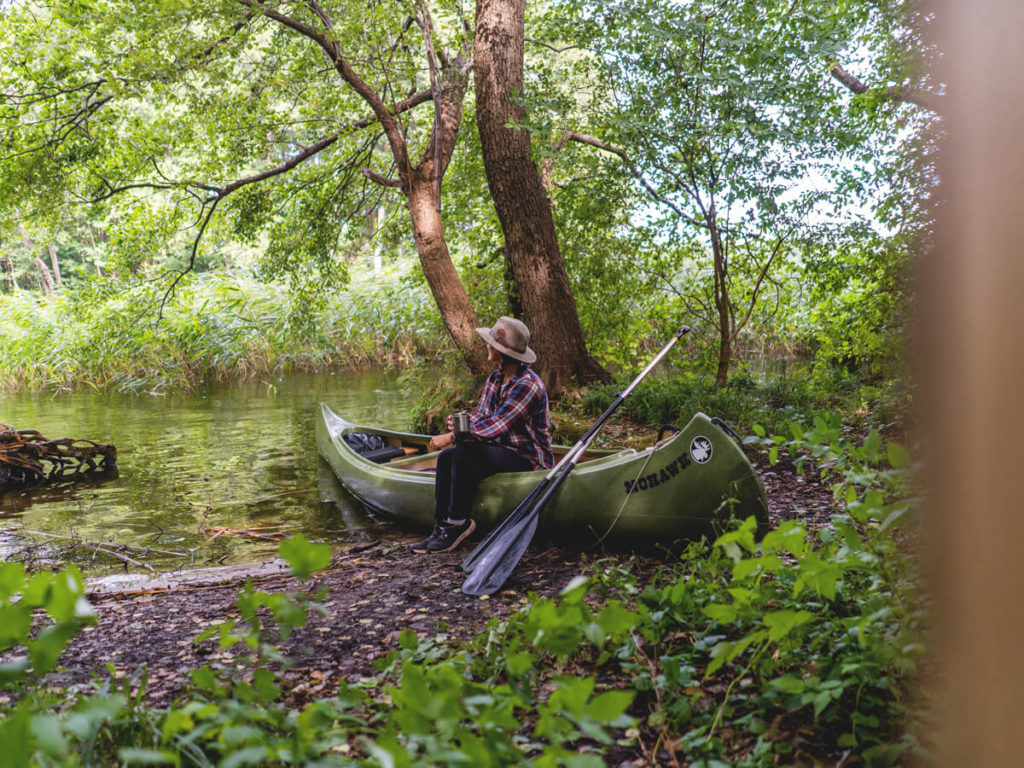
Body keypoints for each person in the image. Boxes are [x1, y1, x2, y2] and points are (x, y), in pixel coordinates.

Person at [411, 316, 553, 554]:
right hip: (501, 450)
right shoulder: (496, 378)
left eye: (491, 343)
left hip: (529, 459)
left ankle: (459, 523)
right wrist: (458, 427)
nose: (486, 345)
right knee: (447, 458)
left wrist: (452, 438)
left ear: (502, 351)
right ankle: (442, 526)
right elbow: (481, 415)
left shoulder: (528, 385)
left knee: (464, 454)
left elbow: (497, 426)